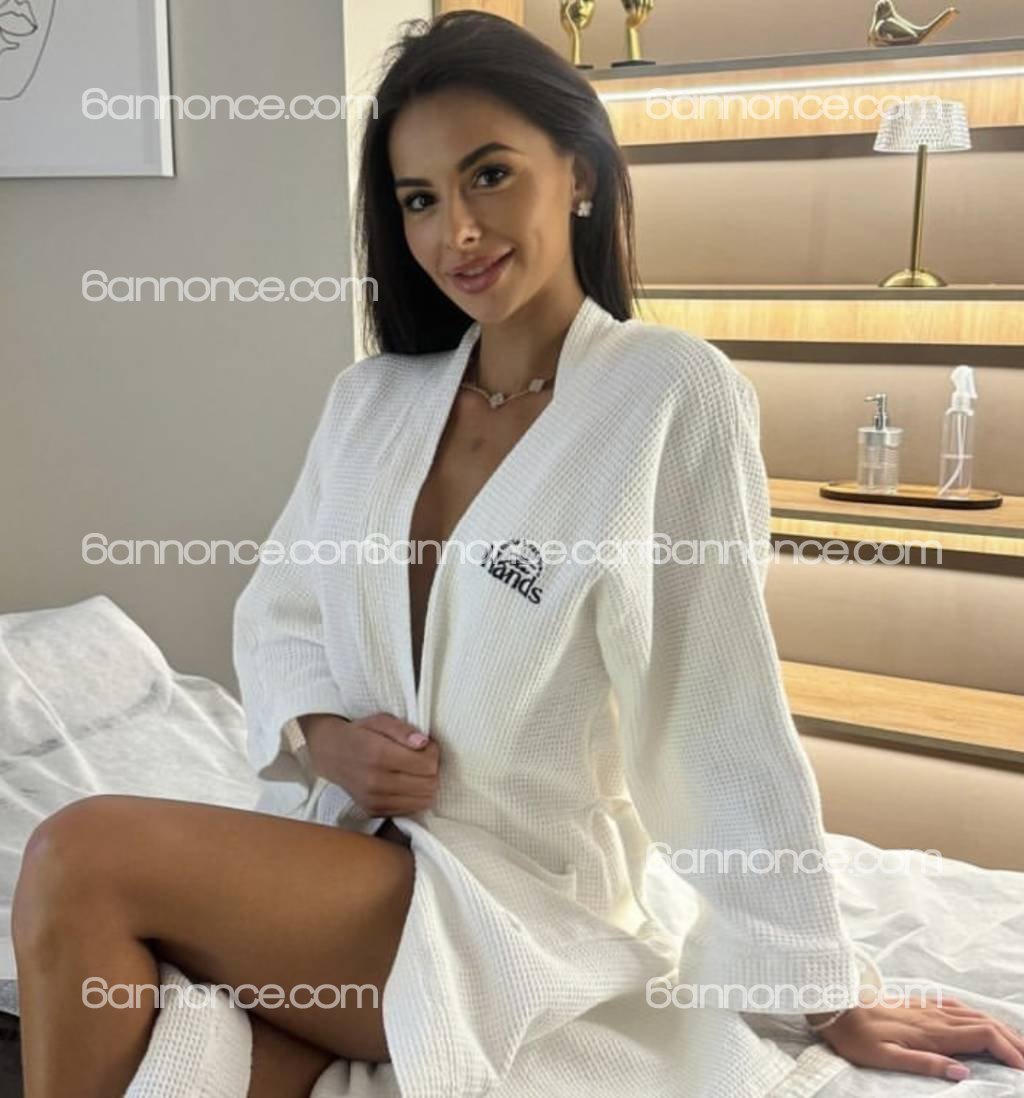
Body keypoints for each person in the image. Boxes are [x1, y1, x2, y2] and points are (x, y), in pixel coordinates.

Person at [12, 10, 1024, 1098]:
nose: (456, 231)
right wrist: (325, 738)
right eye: (418, 199)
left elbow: (718, 704)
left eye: (489, 175)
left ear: (579, 173)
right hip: (345, 863)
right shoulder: (370, 402)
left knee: (82, 855)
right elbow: (281, 611)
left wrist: (816, 985)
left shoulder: (666, 393)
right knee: (171, 1060)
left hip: (521, 897)